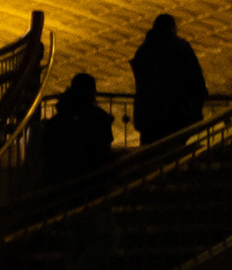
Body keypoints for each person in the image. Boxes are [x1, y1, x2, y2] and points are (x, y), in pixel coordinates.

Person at [134, 12, 213, 143]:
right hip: (177, 115)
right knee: (176, 151)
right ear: (171, 28)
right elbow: (195, 76)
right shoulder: (180, 47)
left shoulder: (143, 50)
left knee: (151, 156)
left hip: (149, 117)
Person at [41, 71, 118, 179]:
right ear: (91, 92)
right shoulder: (98, 118)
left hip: (61, 177)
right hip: (90, 178)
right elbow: (104, 147)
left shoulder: (58, 121)